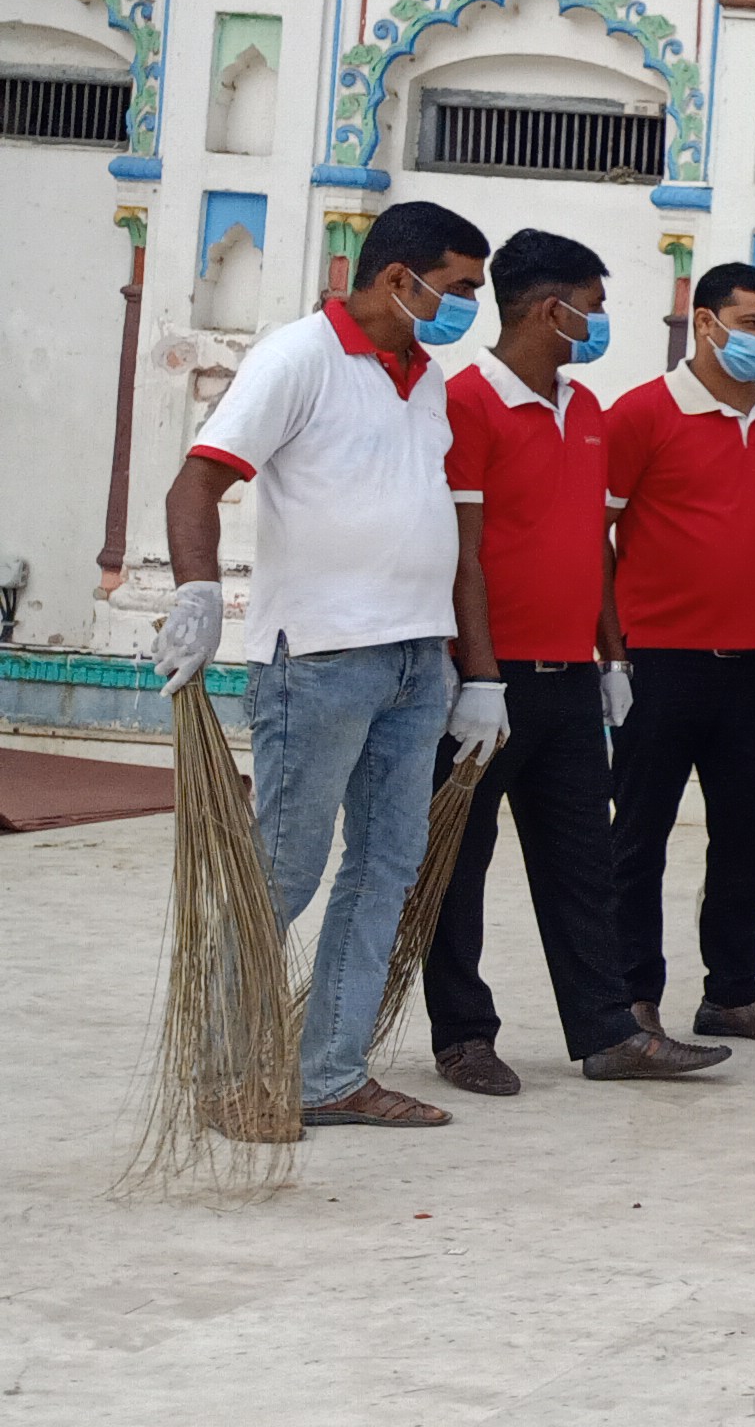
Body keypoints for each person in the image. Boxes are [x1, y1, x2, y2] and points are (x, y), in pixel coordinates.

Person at [155, 199, 491, 1130]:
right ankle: (225, 1076)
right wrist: (195, 594)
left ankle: (331, 1075)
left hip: (416, 660)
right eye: (460, 287)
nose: (470, 307)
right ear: (399, 279)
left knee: (385, 869)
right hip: (320, 658)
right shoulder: (298, 356)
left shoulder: (422, 376)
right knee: (282, 875)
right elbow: (200, 477)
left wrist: (470, 672)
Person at [420, 228, 728, 1094]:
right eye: (593, 308)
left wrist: (613, 656)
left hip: (569, 679)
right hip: (486, 681)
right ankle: (464, 1037)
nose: (600, 324)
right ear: (552, 309)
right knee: (458, 866)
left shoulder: (585, 409)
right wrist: (479, 677)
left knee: (582, 864)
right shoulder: (468, 404)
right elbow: (463, 552)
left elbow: (592, 543)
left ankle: (608, 1030)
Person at [605, 261, 755, 1047]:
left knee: (750, 836)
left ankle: (732, 991)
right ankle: (634, 1001)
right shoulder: (641, 413)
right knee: (640, 839)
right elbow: (599, 532)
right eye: (753, 323)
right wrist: (614, 656)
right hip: (660, 660)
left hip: (753, 660)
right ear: (706, 323)